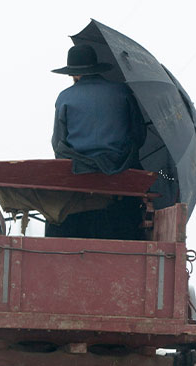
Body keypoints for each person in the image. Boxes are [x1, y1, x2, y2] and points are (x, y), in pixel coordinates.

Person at [47, 43, 147, 239]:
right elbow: (139, 136)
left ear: (74, 74)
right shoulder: (123, 92)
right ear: (95, 68)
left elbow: (58, 144)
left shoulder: (65, 97)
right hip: (122, 173)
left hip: (78, 173)